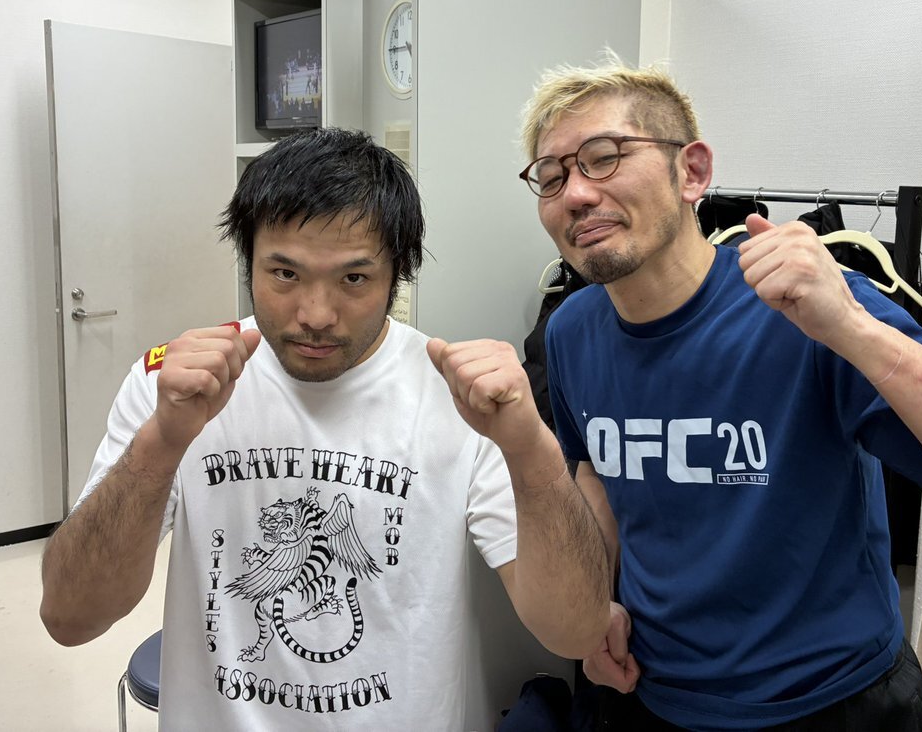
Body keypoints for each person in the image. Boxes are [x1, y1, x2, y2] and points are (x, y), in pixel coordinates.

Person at [429, 57, 922, 731]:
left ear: (692, 172)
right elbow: (601, 486)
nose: (575, 194)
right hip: (655, 699)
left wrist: (852, 329)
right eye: (551, 177)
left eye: (603, 158)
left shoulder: (807, 308)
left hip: (838, 705)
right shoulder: (573, 329)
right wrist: (596, 611)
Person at [39, 128, 609, 730]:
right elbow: (70, 618)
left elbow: (575, 631)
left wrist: (530, 447)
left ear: (398, 274)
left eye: (353, 279)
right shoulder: (173, 388)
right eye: (284, 273)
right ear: (249, 261)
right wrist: (162, 443)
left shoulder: (458, 400)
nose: (315, 315)